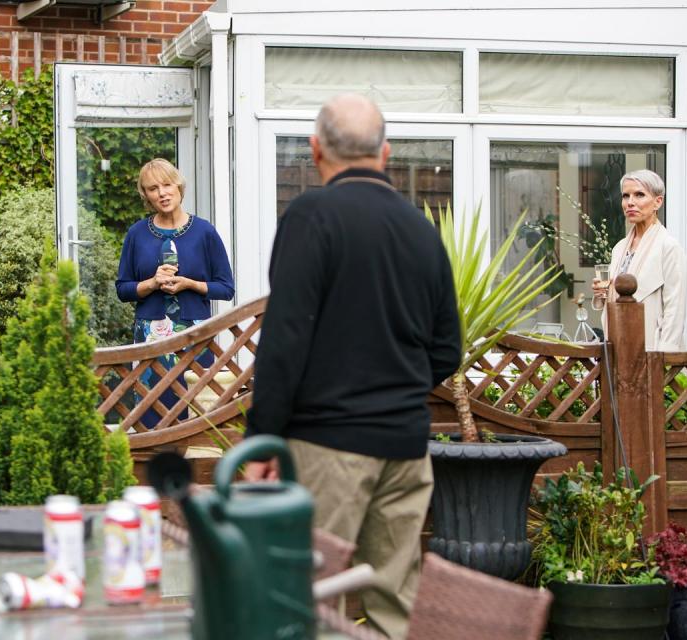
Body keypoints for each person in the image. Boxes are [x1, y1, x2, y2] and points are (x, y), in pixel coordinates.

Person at [243, 94, 462, 639]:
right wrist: (397, 391)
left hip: (326, 446)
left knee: (312, 605)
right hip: (406, 449)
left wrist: (263, 442)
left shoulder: (310, 217)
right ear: (385, 153)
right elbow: (447, 349)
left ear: (316, 151)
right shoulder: (420, 230)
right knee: (396, 605)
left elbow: (285, 341)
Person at [115, 158, 235, 428]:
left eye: (167, 185)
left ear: (179, 186)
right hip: (150, 337)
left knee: (197, 416)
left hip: (195, 335)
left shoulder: (205, 232)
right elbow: (122, 289)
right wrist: (151, 284)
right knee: (150, 416)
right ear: (145, 195)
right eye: (153, 188)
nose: (162, 193)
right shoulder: (137, 234)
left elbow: (226, 288)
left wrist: (190, 284)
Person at [593, 169, 687, 351]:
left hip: (651, 349)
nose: (630, 203)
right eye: (626, 196)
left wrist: (664, 358)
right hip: (616, 344)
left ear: (657, 202)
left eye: (639, 195)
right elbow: (619, 298)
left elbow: (675, 310)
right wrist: (602, 292)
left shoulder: (669, 247)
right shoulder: (620, 247)